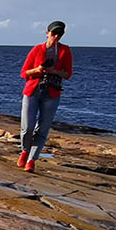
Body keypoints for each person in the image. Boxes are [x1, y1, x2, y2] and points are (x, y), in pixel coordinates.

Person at [17, 22, 72, 171]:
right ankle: (25, 150)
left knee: (43, 128)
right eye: (54, 33)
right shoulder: (37, 49)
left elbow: (68, 74)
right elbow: (24, 73)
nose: (56, 37)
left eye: (59, 34)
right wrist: (38, 70)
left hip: (52, 93)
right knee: (27, 127)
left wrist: (54, 71)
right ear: (47, 33)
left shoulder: (65, 51)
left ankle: (31, 160)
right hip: (33, 91)